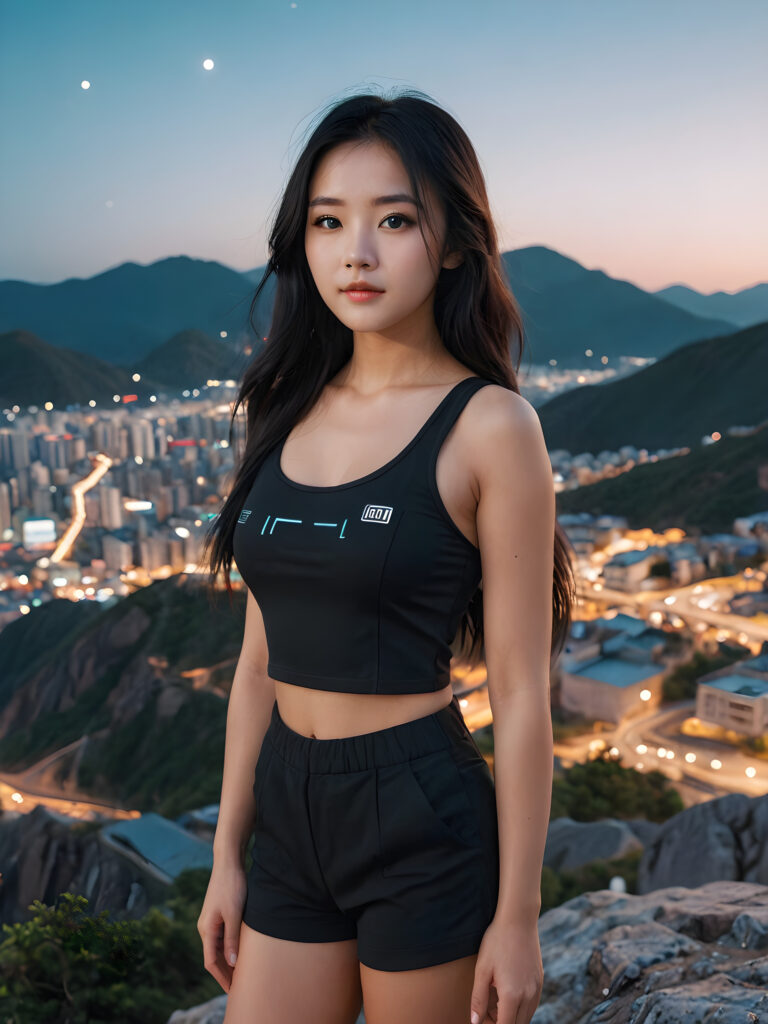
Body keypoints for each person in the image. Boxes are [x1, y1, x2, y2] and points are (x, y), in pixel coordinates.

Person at [198, 89, 575, 1024]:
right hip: (289, 804)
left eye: (394, 220)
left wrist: (518, 917)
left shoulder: (492, 426)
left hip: (419, 811)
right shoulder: (285, 409)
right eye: (328, 221)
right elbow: (257, 666)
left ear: (452, 244)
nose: (355, 252)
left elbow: (521, 690)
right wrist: (226, 857)